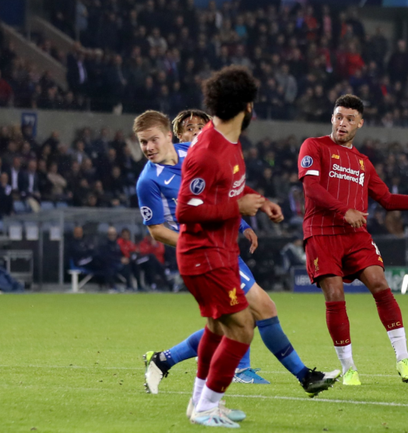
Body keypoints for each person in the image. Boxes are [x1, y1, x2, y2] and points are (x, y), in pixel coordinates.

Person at [137, 108, 338, 402]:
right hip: (203, 254)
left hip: (222, 247)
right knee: (258, 312)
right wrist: (196, 242)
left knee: (226, 325)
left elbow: (226, 185)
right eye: (143, 143)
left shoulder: (192, 153)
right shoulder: (148, 181)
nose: (148, 148)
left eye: (152, 140)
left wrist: (254, 210)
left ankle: (165, 362)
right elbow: (157, 231)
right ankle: (303, 377)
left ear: (168, 137)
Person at [298, 94, 408, 386]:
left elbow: (386, 199)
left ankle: (403, 358)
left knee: (380, 284)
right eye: (338, 117)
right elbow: (310, 187)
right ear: (332, 118)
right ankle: (349, 367)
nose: (342, 123)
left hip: (356, 234)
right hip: (322, 233)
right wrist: (342, 209)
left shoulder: (363, 163)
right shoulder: (314, 146)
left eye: (349, 119)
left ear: (360, 123)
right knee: (335, 295)